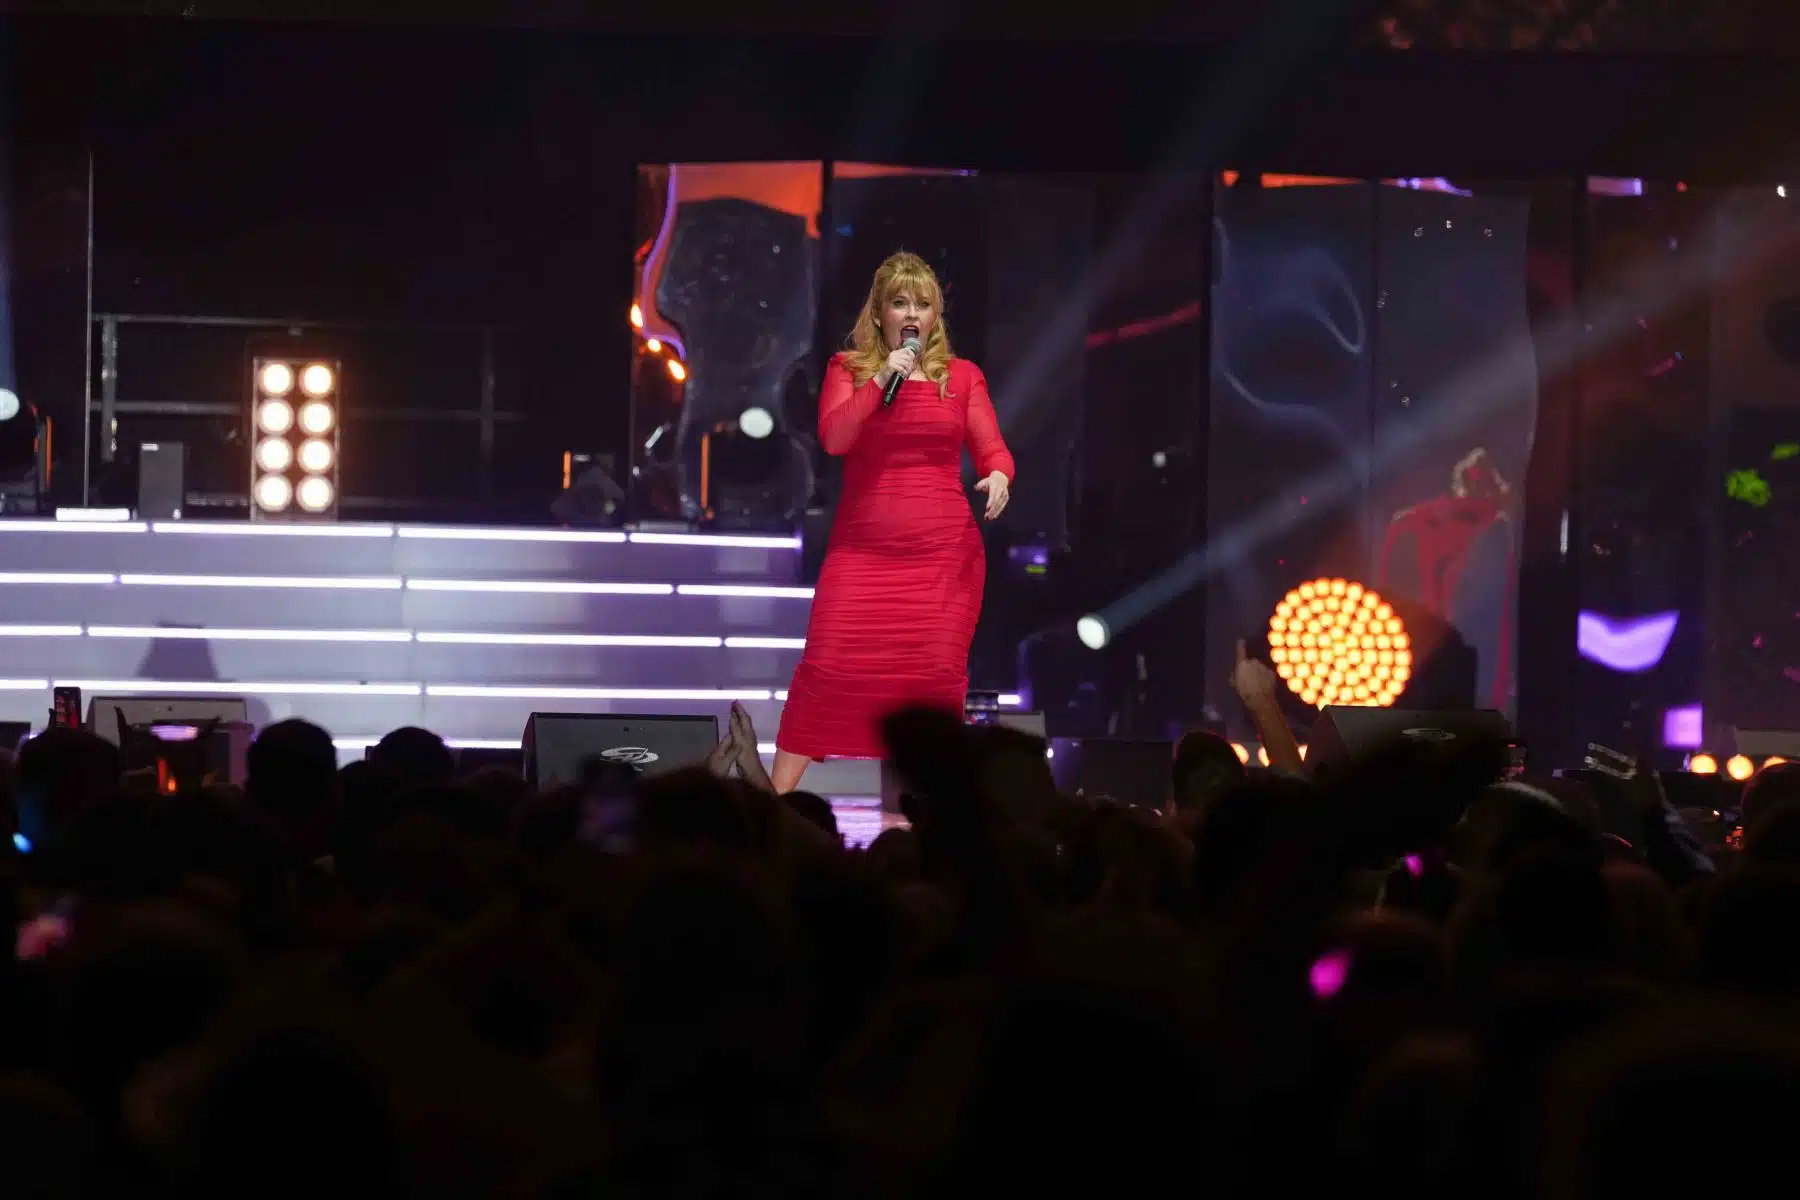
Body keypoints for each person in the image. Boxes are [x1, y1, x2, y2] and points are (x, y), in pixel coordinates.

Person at [772, 251, 1015, 792]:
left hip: (943, 560)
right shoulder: (848, 369)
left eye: (922, 305)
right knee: (826, 670)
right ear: (879, 312)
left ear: (935, 316)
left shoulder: (962, 377)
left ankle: (933, 816)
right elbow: (835, 439)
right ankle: (770, 807)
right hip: (862, 554)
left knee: (932, 684)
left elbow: (993, 450)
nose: (911, 314)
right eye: (900, 303)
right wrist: (881, 376)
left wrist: (998, 476)